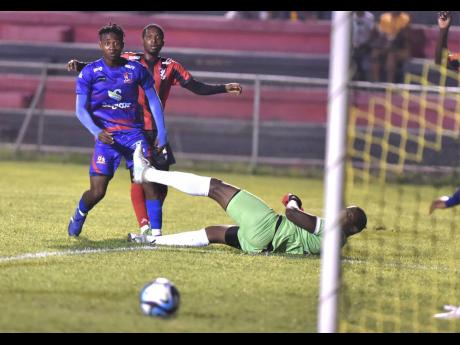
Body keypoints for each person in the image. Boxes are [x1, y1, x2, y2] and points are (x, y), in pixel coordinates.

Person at [68, 24, 243, 237]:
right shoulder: (129, 59)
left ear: (163, 41)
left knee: (155, 182)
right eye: (149, 37)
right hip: (115, 134)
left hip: (144, 133)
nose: (153, 40)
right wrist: (79, 65)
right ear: (141, 40)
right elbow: (101, 64)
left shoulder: (168, 67)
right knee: (106, 189)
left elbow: (192, 87)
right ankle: (140, 225)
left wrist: (163, 131)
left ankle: (155, 233)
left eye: (157, 37)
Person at [127, 143, 368, 256]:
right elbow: (303, 231)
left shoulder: (333, 231)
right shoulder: (337, 244)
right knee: (212, 234)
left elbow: (292, 214)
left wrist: (293, 199)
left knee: (215, 187)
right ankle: (153, 243)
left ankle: (147, 173)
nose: (340, 212)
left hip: (267, 225)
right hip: (261, 246)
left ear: (352, 227)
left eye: (347, 214)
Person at [67, 23, 168, 237]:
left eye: (116, 42)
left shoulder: (135, 69)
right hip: (107, 137)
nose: (112, 46)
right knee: (97, 192)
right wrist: (96, 131)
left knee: (148, 180)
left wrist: (162, 132)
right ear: (100, 45)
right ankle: (78, 214)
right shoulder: (89, 72)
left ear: (123, 44)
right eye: (107, 43)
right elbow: (79, 110)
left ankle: (156, 235)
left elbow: (153, 100)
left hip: (134, 136)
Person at [371, 11, 411, 83]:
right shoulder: (384, 17)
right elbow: (382, 35)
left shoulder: (405, 18)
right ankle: (375, 82)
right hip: (386, 46)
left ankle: (390, 83)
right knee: (375, 53)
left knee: (391, 56)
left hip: (401, 48)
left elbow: (405, 36)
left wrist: (394, 37)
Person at [351, 11, 377, 81]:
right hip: (352, 46)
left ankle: (366, 82)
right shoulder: (350, 17)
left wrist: (366, 44)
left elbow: (373, 33)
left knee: (365, 62)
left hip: (366, 45)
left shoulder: (369, 17)